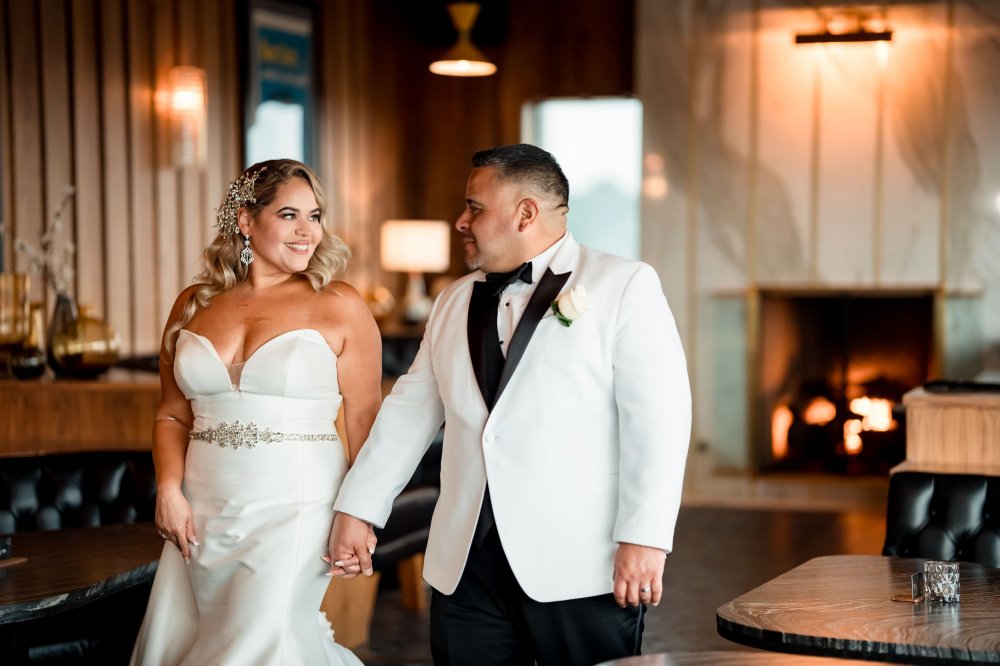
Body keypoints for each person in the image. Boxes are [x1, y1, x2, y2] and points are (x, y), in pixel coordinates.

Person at [327, 144, 691, 665]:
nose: (461, 221)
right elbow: (408, 414)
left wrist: (645, 538)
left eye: (474, 207)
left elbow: (658, 424)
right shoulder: (453, 299)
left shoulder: (623, 285)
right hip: (465, 568)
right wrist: (358, 508)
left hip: (581, 565)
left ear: (526, 213)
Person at [131, 159, 381, 665]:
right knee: (194, 637)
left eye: (315, 216)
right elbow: (172, 416)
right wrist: (169, 490)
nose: (307, 230)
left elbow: (364, 423)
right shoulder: (193, 304)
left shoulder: (341, 304)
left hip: (298, 503)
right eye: (289, 215)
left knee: (265, 639)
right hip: (201, 507)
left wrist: (361, 515)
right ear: (246, 220)